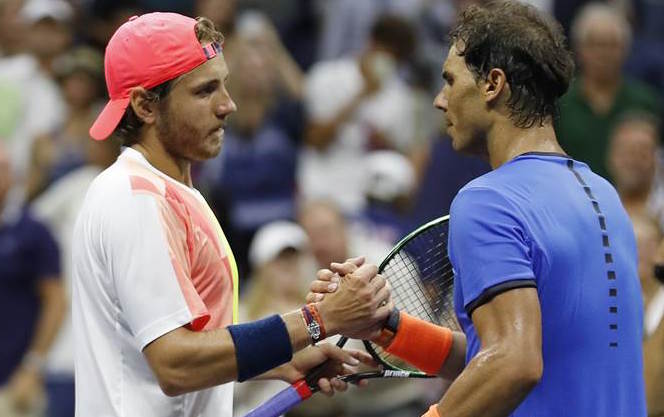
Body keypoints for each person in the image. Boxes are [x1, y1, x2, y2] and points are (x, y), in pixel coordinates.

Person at [310, 2, 646, 416]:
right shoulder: (605, 196)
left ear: (493, 84)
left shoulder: (489, 201)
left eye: (450, 81)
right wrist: (389, 329)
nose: (439, 100)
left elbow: (514, 362)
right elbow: (502, 351)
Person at [72, 13, 392, 417]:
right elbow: (174, 363)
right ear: (145, 105)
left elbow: (187, 344)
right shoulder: (135, 199)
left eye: (224, 83)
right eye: (205, 90)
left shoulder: (171, 191)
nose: (228, 104)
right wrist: (319, 319)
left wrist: (279, 360)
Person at [554, 2, 661, 181]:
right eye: (595, 45)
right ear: (579, 49)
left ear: (626, 49)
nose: (603, 54)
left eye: (612, 45)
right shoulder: (561, 102)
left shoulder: (646, 100)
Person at [0, 142, 66, 417]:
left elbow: (56, 302)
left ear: (11, 176)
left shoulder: (33, 232)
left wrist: (33, 366)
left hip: (14, 382)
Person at [607, 113, 664, 228]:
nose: (633, 161)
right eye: (626, 152)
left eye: (642, 154)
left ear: (656, 159)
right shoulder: (596, 206)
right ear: (611, 157)